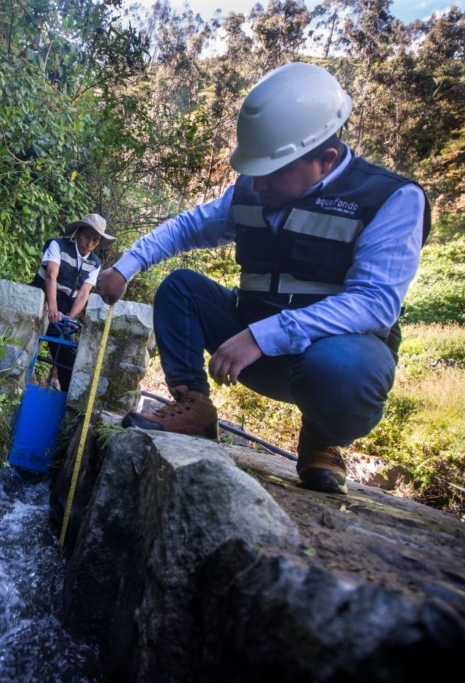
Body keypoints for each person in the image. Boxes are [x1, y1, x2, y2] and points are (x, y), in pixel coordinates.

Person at [94, 62, 430, 495]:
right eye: (254, 169)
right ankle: (194, 409)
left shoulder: (391, 199)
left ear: (325, 160)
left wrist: (262, 335)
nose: (258, 182)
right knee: (179, 287)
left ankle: (322, 438)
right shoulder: (253, 189)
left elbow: (374, 304)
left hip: (329, 365)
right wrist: (127, 265)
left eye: (272, 171)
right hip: (252, 352)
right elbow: (186, 228)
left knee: (342, 368)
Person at [30, 213, 116, 392]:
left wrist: (69, 319)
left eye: (95, 240)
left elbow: (84, 293)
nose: (89, 244)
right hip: (39, 302)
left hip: (63, 314)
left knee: (68, 362)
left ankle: (65, 404)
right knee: (24, 343)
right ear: (77, 233)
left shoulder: (95, 263)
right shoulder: (57, 245)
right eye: (86, 237)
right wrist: (52, 309)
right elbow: (51, 276)